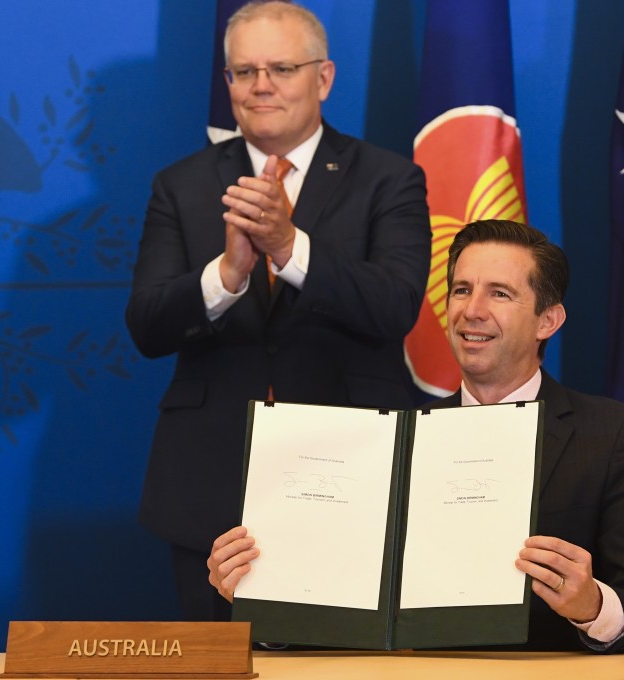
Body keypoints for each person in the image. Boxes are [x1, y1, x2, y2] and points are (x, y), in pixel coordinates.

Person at [208, 220, 624, 652]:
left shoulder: (610, 434)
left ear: (547, 321)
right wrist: (262, 597)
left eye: (499, 294)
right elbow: (347, 620)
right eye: (461, 289)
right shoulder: (391, 439)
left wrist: (592, 605)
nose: (472, 311)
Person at [125, 0, 431, 621]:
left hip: (350, 469)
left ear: (323, 78)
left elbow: (394, 305)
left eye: (281, 68)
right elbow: (148, 325)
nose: (260, 85)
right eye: (243, 72)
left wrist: (290, 249)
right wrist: (228, 274)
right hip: (209, 481)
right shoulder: (179, 185)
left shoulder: (389, 180)